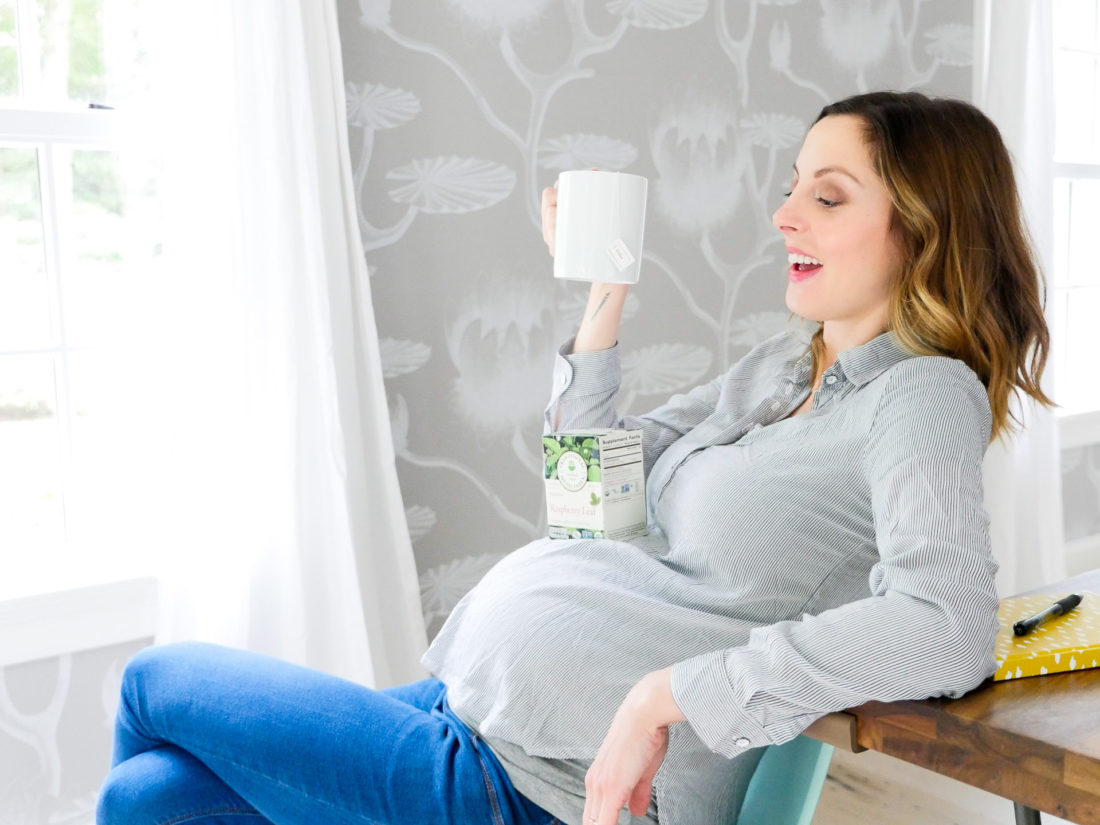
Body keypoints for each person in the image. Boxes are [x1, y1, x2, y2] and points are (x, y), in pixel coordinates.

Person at [97, 90, 1051, 825]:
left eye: (827, 194)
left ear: (923, 228)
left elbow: (946, 622)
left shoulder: (922, 396)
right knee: (147, 799)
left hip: (540, 784)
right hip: (472, 704)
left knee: (158, 681)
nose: (785, 214)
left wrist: (664, 696)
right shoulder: (780, 367)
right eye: (793, 183)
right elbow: (588, 507)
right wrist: (604, 299)